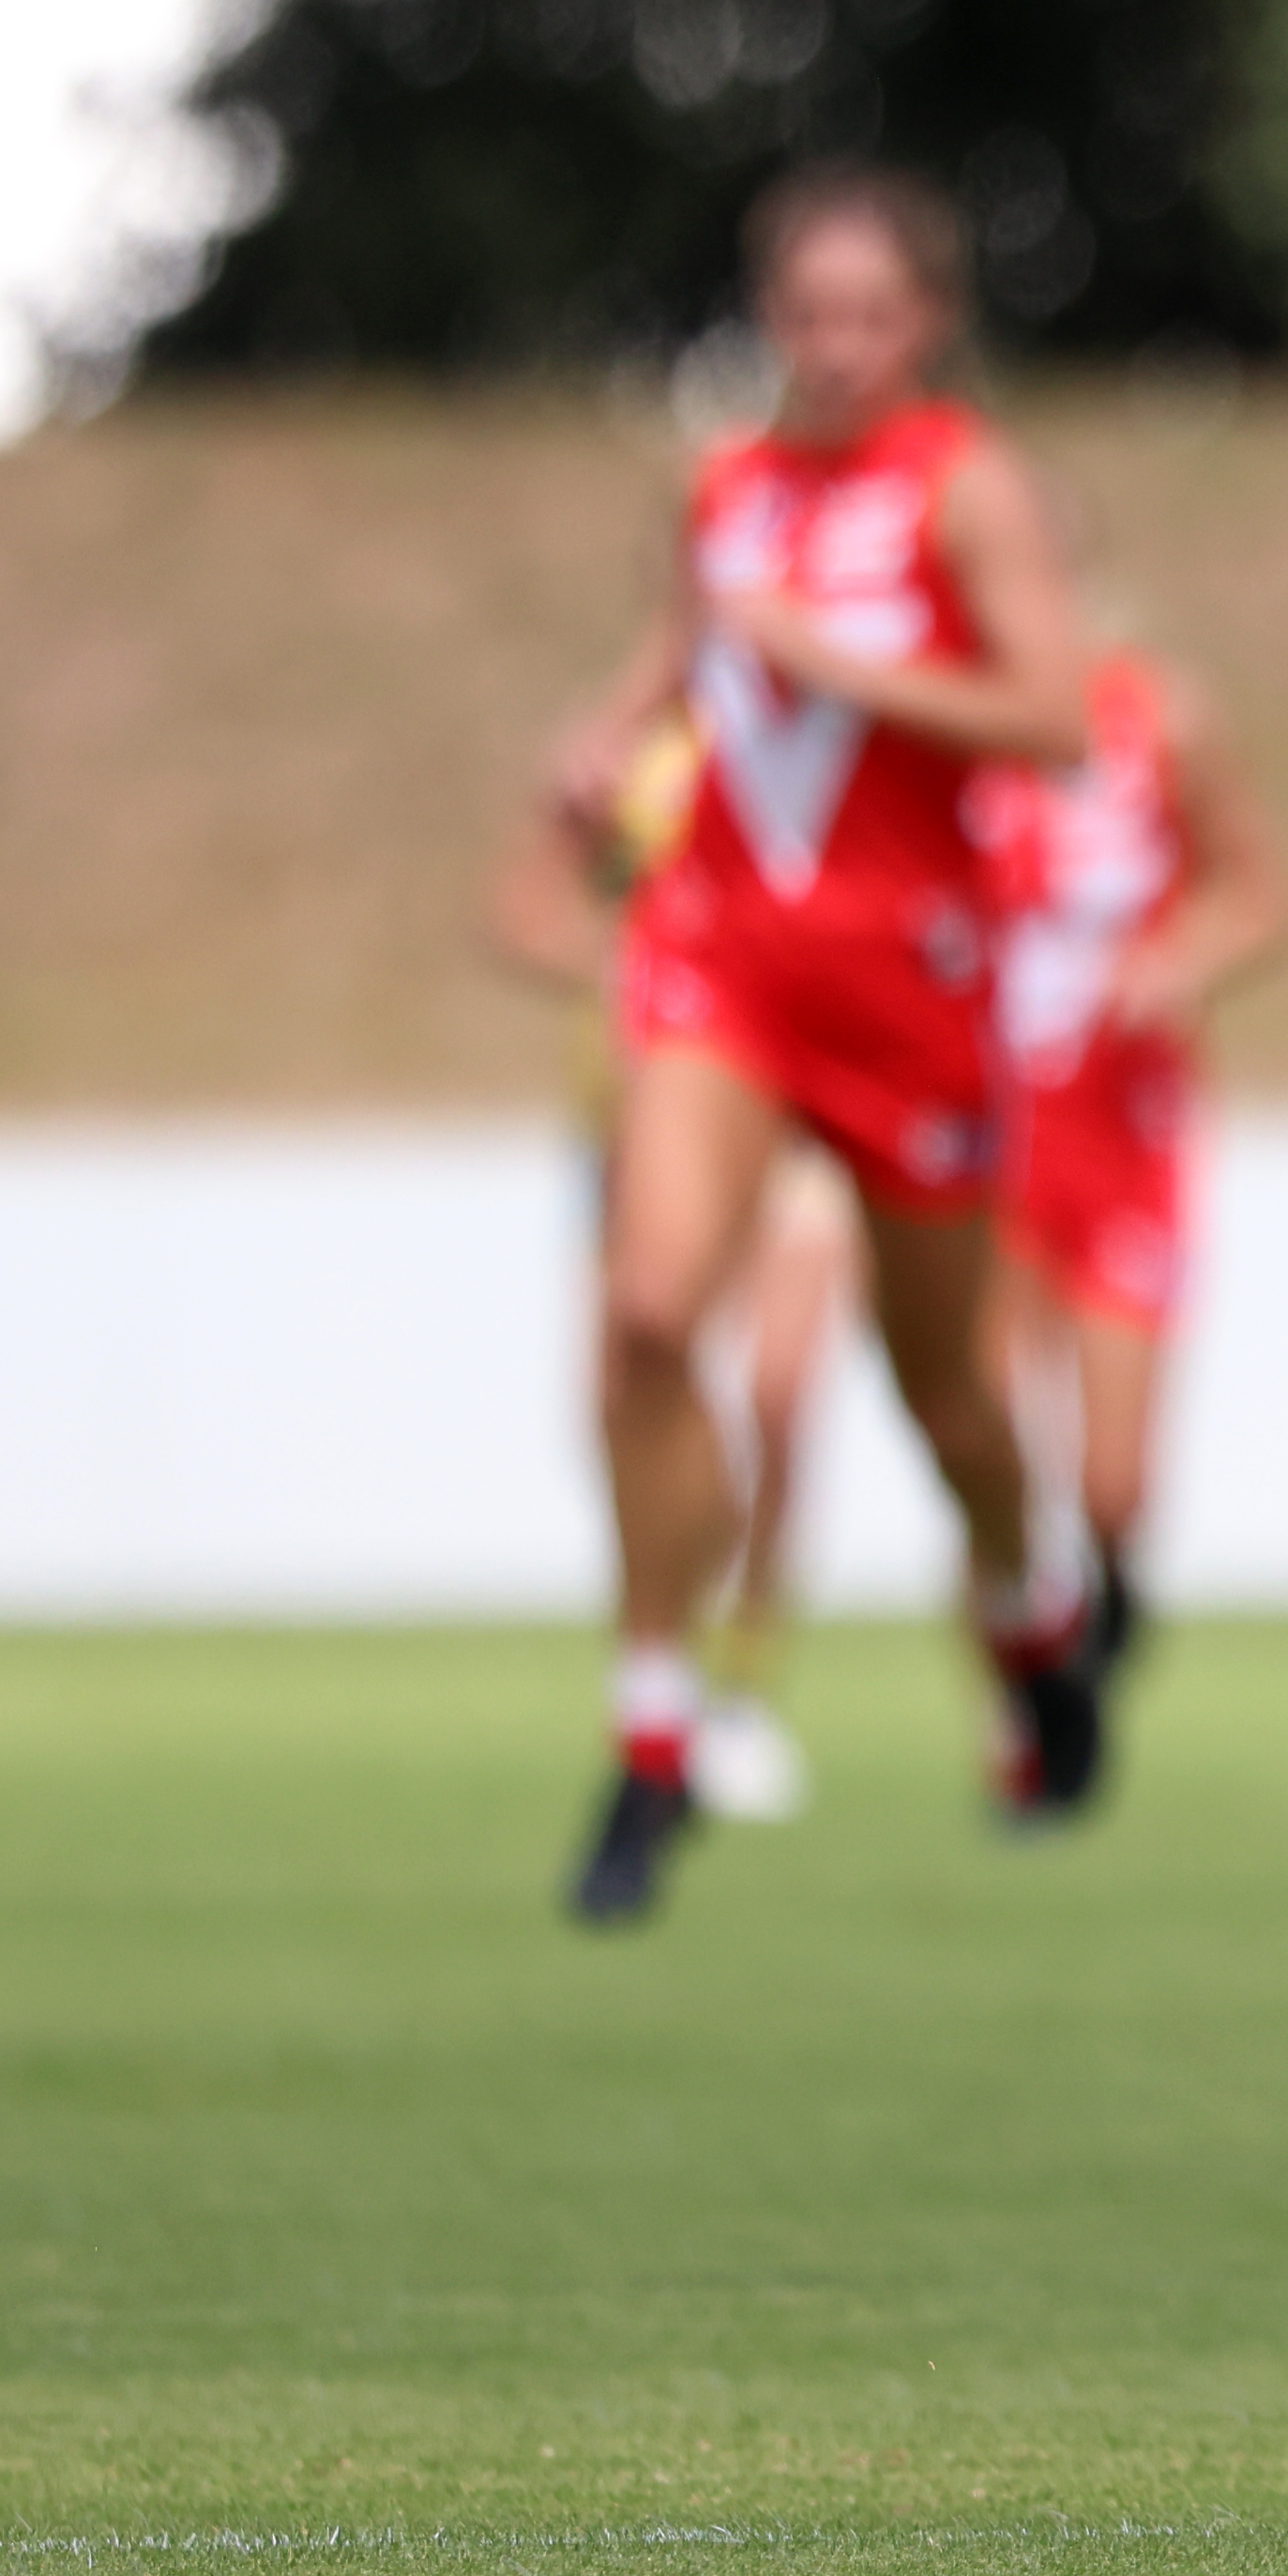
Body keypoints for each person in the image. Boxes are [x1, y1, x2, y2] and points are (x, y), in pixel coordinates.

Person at [535, 166, 1092, 1927]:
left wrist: (848, 668)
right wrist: (602, 727)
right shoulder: (726, 490)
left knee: (949, 1401)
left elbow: (1054, 716)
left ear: (922, 323)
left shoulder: (965, 486)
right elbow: (687, 642)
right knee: (643, 1313)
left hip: (909, 992)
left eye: (871, 313)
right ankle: (649, 1734)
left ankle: (1026, 1612)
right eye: (807, 310)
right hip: (721, 968)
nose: (835, 344)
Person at [480, 715, 860, 1825]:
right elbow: (520, 911)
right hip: (630, 1125)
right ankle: (665, 1671)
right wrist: (639, 963)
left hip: (795, 1123)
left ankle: (744, 1680)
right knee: (619, 1406)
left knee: (779, 1392)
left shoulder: (834, 748)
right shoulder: (629, 763)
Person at [966, 627, 1288, 1819]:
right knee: (989, 1439)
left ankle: (1106, 1592)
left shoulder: (1158, 720)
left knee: (1111, 1479)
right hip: (982, 1136)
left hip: (1125, 1136)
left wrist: (1179, 961)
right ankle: (1022, 1727)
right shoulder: (949, 723)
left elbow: (1260, 894)